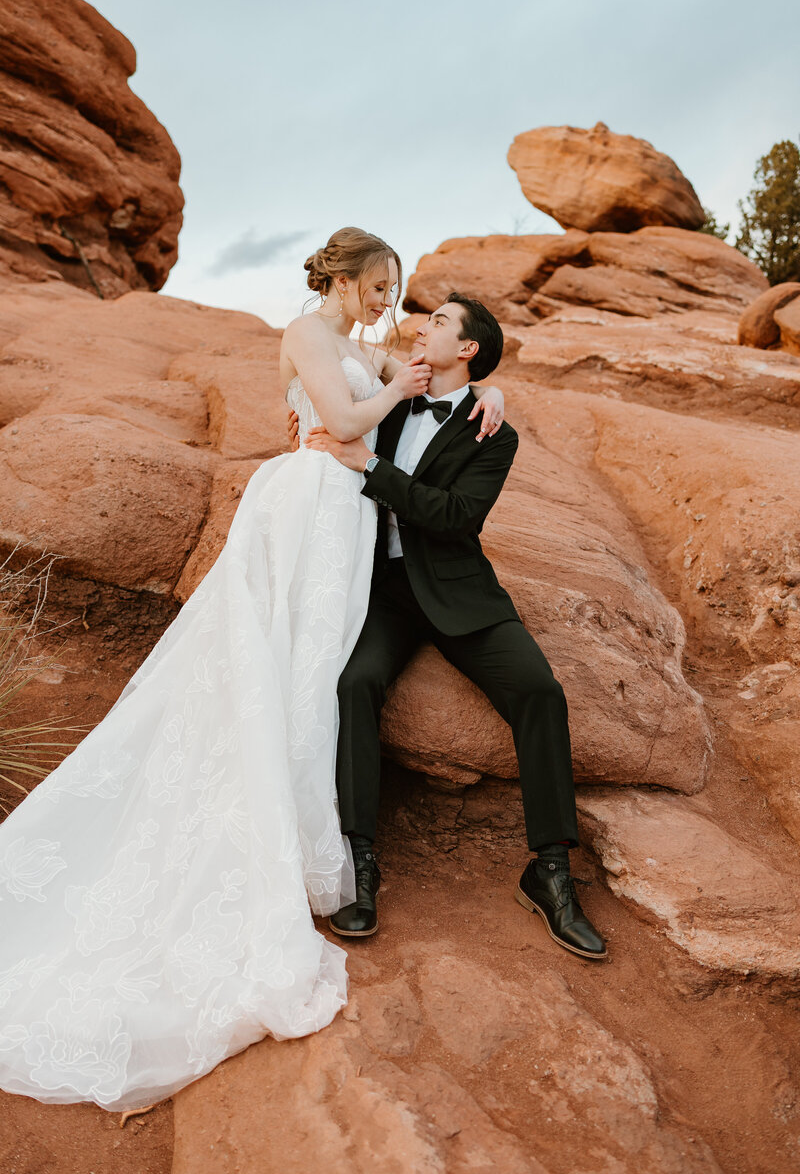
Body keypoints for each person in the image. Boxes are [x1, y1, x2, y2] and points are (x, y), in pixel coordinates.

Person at [0, 228, 506, 1112]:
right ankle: (251, 834)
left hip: (347, 520)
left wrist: (489, 387)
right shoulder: (312, 336)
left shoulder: (367, 348)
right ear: (343, 278)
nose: (391, 300)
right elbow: (347, 424)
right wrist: (388, 386)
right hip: (306, 503)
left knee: (314, 679)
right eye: (381, 284)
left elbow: (430, 397)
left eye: (398, 288)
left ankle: (297, 835)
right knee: (272, 664)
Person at [302, 292, 607, 960]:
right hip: (380, 590)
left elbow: (453, 516)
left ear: (467, 349)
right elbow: (336, 384)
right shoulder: (387, 394)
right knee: (354, 686)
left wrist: (374, 468)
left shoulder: (495, 431)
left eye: (438, 322)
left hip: (459, 591)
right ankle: (360, 864)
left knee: (540, 692)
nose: (420, 326)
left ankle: (550, 870)